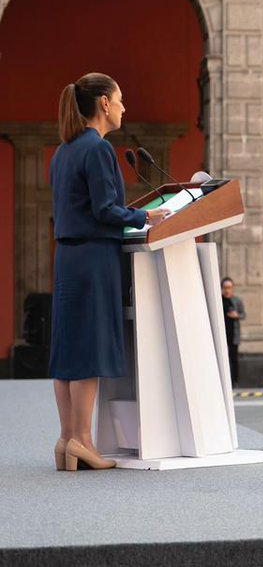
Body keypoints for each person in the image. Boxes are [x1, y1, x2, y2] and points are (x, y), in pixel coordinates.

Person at [50, 73, 169, 471]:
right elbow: (105, 210)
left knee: (68, 350)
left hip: (67, 258)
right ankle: (83, 441)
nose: (123, 107)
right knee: (89, 349)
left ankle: (66, 438)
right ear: (104, 103)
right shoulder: (98, 148)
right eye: (120, 99)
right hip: (94, 258)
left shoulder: (63, 150)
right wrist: (145, 216)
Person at [220, 277, 246, 387]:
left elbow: (243, 315)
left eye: (229, 288)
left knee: (233, 358)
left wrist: (236, 315)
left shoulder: (237, 301)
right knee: (222, 358)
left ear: (232, 288)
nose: (227, 290)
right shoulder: (219, 300)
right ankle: (223, 381)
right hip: (222, 334)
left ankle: (234, 381)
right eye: (225, 288)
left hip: (234, 334)